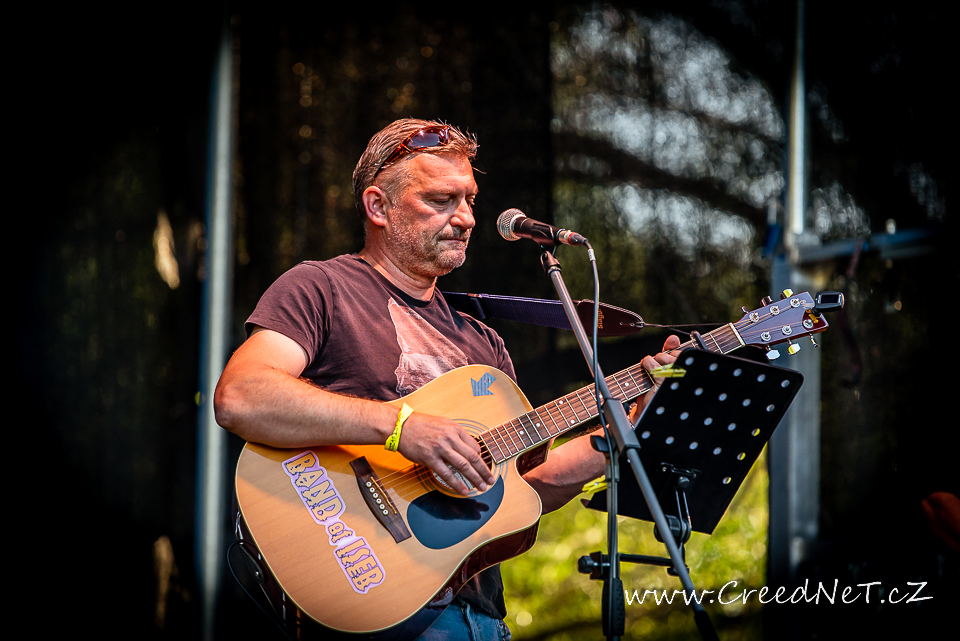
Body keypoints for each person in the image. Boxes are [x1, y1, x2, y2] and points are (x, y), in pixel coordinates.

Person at [214, 118, 679, 640]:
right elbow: (241, 396)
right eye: (441, 200)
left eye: (470, 200)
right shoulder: (321, 288)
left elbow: (524, 490)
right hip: (371, 595)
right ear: (378, 207)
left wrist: (627, 426)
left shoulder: (484, 344)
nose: (466, 218)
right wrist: (401, 427)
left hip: (478, 619)